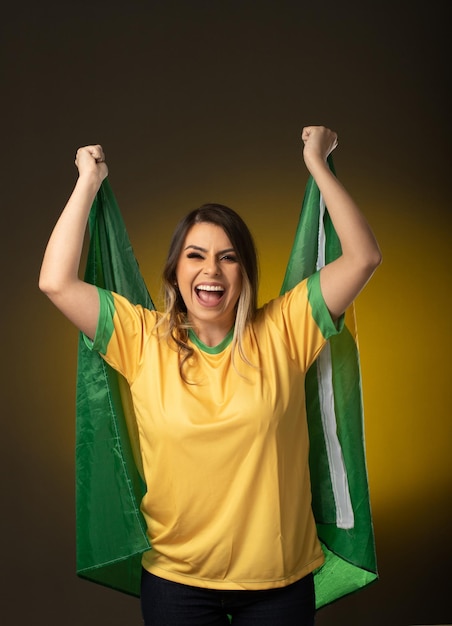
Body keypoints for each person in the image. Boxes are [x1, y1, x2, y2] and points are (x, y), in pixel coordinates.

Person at [39, 126, 381, 626]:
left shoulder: (286, 328)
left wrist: (317, 163)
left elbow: (363, 257)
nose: (212, 271)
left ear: (244, 271)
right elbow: (55, 281)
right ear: (176, 269)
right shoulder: (140, 338)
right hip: (176, 584)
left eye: (228, 256)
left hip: (278, 586)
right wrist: (87, 182)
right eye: (196, 256)